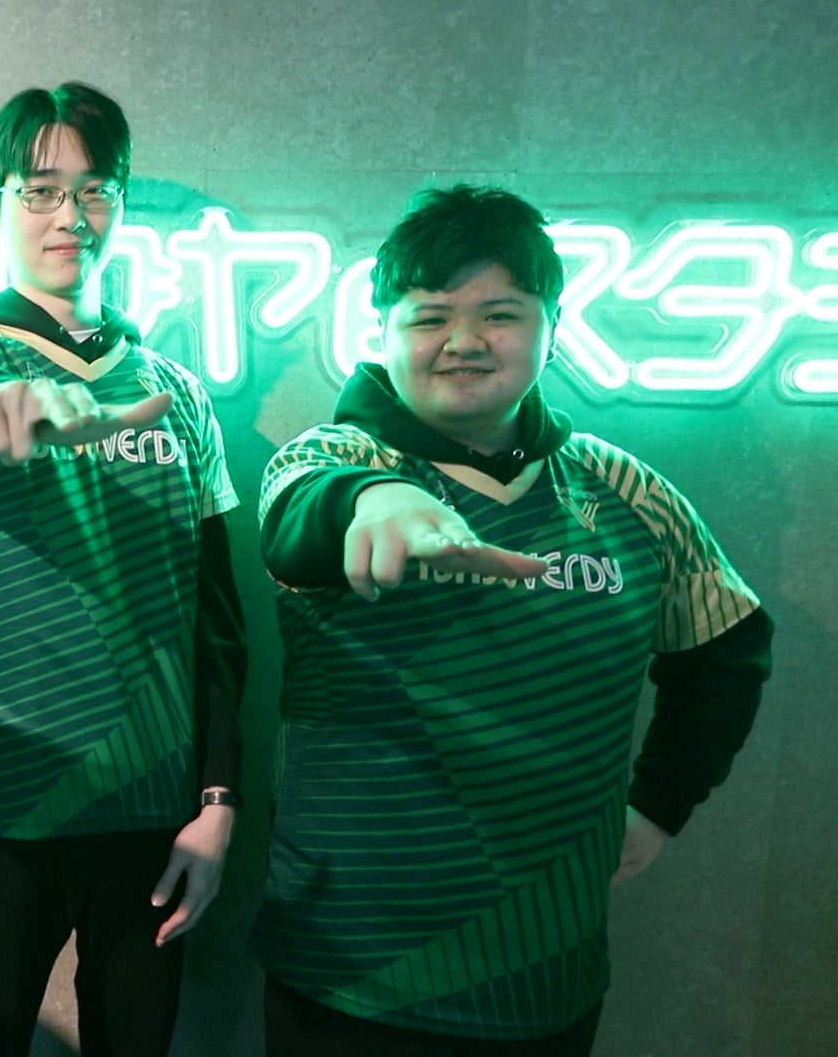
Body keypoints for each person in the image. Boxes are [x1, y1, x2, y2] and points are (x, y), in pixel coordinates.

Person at [253, 184, 774, 1056]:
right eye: (430, 317)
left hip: (546, 970)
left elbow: (730, 650)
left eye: (499, 314)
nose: (463, 341)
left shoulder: (624, 488)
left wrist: (659, 805)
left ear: (551, 327)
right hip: (348, 966)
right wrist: (376, 499)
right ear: (383, 330)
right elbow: (298, 517)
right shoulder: (334, 455)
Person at [0, 81, 248, 1057]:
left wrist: (218, 802)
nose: (69, 217)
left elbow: (217, 620)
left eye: (94, 191)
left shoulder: (177, 393)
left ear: (119, 205)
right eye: (40, 191)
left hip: (151, 818)